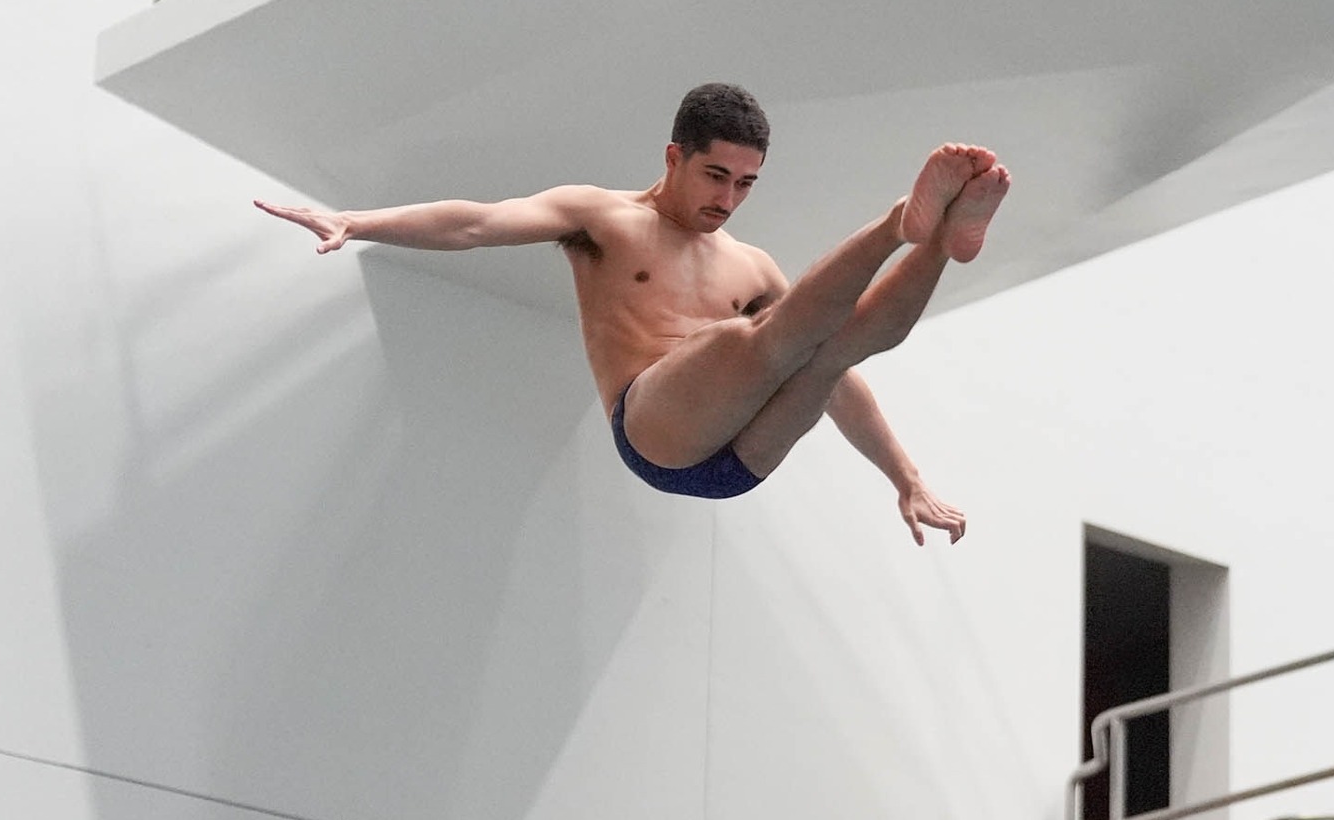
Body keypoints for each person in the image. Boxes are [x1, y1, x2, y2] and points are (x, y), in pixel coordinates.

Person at [256, 82, 1008, 545]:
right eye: (716, 175)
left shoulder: (747, 265)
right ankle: (895, 226)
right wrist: (359, 220)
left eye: (747, 184)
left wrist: (906, 481)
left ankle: (940, 241)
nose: (727, 199)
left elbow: (846, 389)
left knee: (834, 351)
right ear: (674, 156)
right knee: (754, 338)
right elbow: (476, 222)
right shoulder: (602, 218)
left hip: (738, 466)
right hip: (657, 434)